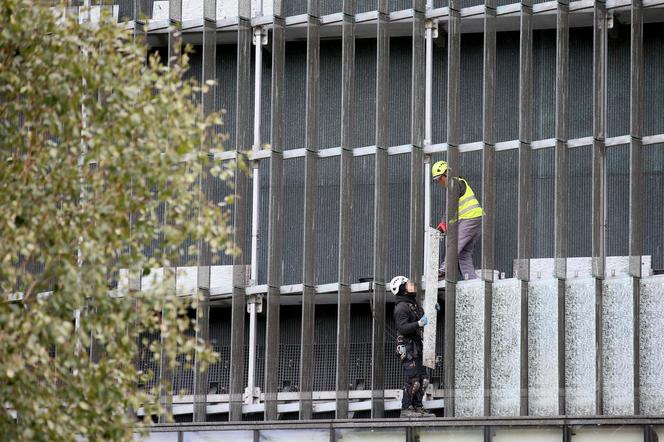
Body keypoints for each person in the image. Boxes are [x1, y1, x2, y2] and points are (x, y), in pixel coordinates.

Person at [390, 275, 436, 418]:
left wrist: (435, 310)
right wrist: (418, 324)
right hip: (407, 347)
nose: (412, 285)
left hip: (416, 346)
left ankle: (418, 407)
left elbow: (423, 317)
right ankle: (406, 409)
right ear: (402, 289)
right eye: (408, 284)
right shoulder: (401, 307)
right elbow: (402, 328)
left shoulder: (413, 305)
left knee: (423, 379)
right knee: (413, 379)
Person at [432, 160, 484, 280]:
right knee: (464, 254)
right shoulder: (458, 183)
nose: (439, 182)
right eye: (436, 180)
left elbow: (451, 206)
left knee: (453, 245)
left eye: (439, 178)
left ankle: (443, 271)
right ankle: (471, 281)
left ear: (446, 174)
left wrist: (444, 222)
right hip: (475, 220)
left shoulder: (454, 184)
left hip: (470, 219)